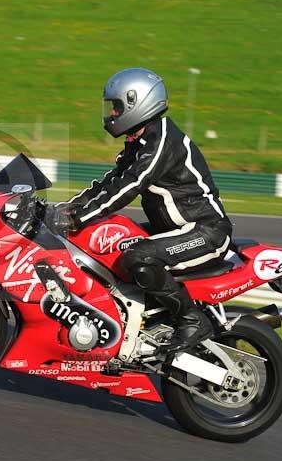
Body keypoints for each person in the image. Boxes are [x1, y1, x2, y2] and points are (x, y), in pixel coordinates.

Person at [46, 67, 232, 353]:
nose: (112, 114)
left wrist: (78, 219)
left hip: (205, 232)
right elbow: (111, 182)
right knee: (109, 245)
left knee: (138, 258)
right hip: (173, 230)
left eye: (117, 107)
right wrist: (64, 209)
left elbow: (132, 185)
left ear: (138, 103)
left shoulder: (163, 140)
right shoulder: (140, 141)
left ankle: (191, 320)